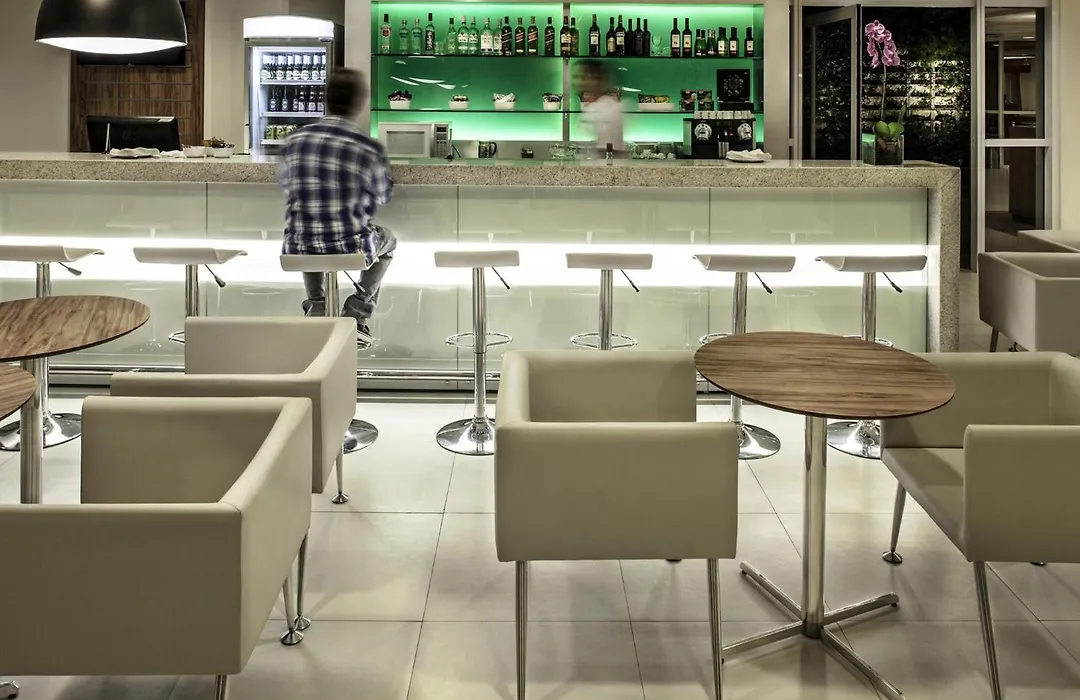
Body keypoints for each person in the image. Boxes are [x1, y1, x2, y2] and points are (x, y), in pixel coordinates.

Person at [280, 68, 396, 345]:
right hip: (351, 245)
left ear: (326, 98)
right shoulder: (368, 147)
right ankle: (357, 313)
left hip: (298, 246)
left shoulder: (294, 140)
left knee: (309, 232)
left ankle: (318, 306)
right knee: (389, 241)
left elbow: (286, 185)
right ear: (359, 102)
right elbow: (383, 195)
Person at [574, 59, 624, 158]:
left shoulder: (609, 109)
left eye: (582, 77)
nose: (576, 82)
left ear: (597, 80)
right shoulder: (591, 107)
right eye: (575, 77)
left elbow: (612, 152)